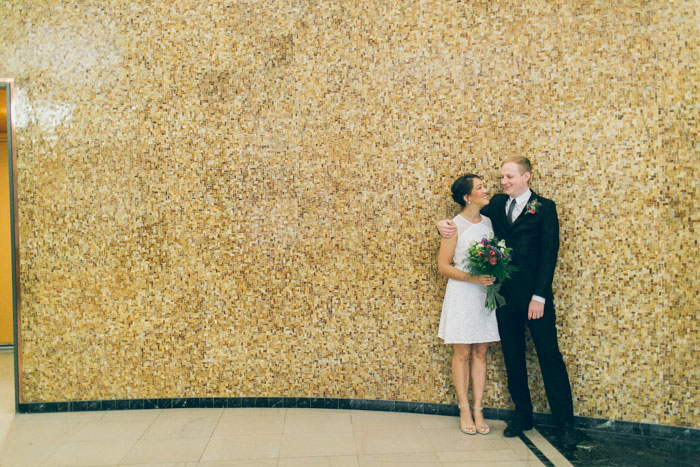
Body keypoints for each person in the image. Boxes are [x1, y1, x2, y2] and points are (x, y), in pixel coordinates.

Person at [437, 157, 579, 447]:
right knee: (513, 358)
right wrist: (442, 224)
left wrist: (539, 296)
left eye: (509, 177)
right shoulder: (498, 205)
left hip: (536, 298)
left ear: (526, 176)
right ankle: (522, 416)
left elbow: (549, 254)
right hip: (504, 299)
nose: (503, 182)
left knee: (549, 356)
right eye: (501, 177)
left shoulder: (545, 207)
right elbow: (467, 211)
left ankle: (565, 423)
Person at [437, 174, 500, 435]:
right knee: (462, 354)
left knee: (481, 353)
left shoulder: (489, 222)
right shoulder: (453, 226)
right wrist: (471, 277)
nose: (486, 191)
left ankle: (478, 409)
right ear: (467, 197)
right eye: (480, 188)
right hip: (463, 293)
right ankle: (464, 408)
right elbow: (442, 265)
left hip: (484, 296)